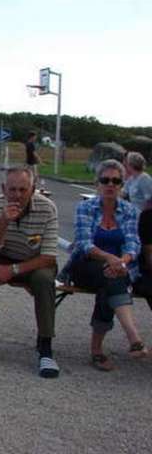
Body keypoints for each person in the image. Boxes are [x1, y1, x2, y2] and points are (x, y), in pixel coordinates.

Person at [0, 166, 60, 378]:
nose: (17, 195)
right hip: (3, 255)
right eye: (12, 189)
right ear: (3, 189)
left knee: (45, 280)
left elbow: (49, 256)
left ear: (33, 189)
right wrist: (3, 222)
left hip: (36, 261)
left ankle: (45, 347)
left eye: (23, 190)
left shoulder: (47, 209)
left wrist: (13, 270)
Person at [64, 159, 147, 371]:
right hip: (85, 264)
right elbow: (83, 244)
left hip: (118, 268)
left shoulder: (130, 210)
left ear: (122, 184)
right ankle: (133, 336)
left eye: (116, 181)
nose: (110, 184)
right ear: (97, 183)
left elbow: (133, 244)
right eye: (105, 180)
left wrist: (122, 260)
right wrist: (110, 258)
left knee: (110, 281)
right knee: (111, 275)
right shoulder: (85, 207)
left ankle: (97, 350)